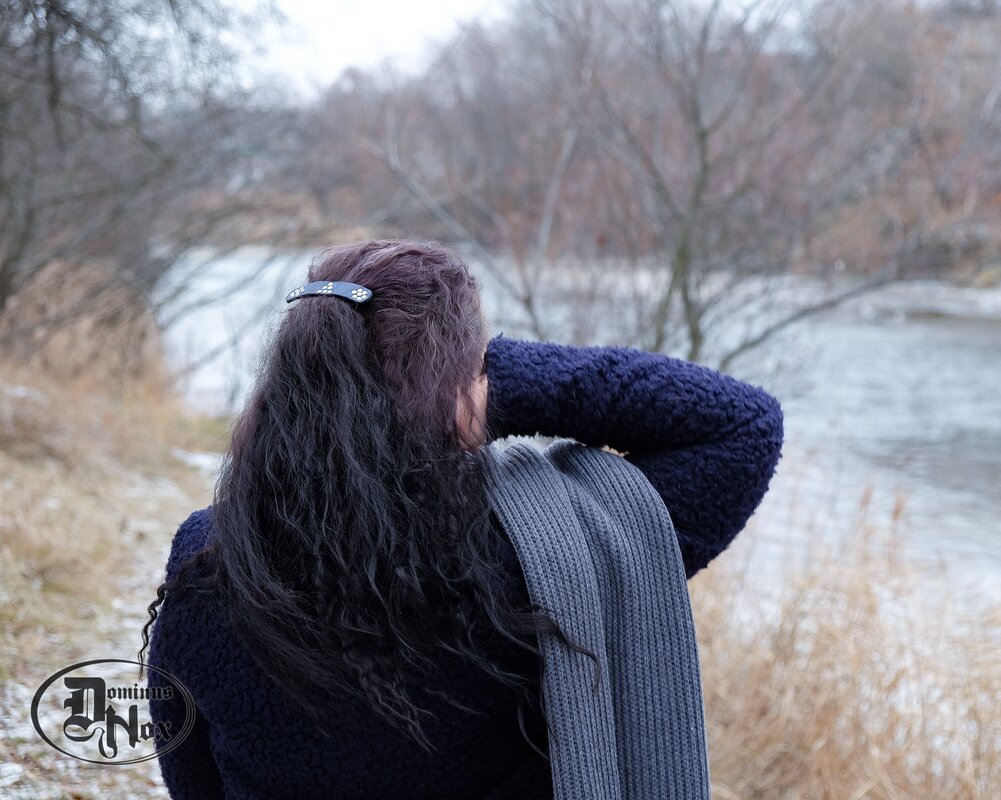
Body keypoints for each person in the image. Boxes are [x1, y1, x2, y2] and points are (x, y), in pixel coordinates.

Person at [140, 238, 785, 799]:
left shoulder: (213, 558)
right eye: (476, 366)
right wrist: (488, 380)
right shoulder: (537, 559)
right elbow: (739, 425)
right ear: (456, 390)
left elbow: (189, 765)